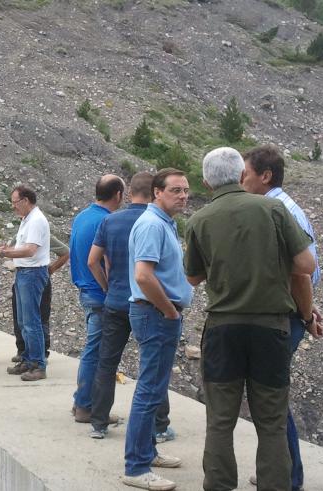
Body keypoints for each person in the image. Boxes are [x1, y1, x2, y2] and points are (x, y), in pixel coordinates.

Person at [185, 147, 316, 491]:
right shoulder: (273, 209)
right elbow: (306, 266)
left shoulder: (200, 220)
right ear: (241, 176)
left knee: (220, 420)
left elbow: (194, 278)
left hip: (223, 331)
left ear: (205, 181)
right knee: (272, 421)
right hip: (270, 329)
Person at [241, 145, 323, 491]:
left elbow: (301, 274)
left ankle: (288, 478)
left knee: (269, 400)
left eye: (245, 173)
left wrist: (306, 316)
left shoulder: (279, 211)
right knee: (268, 397)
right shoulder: (279, 207)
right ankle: (280, 471)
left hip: (285, 316)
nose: (241, 179)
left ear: (265, 175)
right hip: (288, 312)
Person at [120, 168, 192, 491]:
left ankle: (147, 452)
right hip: (155, 314)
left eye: (186, 190)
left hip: (159, 313)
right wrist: (168, 311)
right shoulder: (151, 224)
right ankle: (135, 466)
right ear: (157, 193)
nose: (183, 196)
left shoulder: (165, 223)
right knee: (149, 390)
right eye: (176, 190)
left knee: (155, 387)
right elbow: (144, 276)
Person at [87, 171, 170, 440]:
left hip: (115, 302)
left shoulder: (111, 221)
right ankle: (159, 426)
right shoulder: (158, 221)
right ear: (155, 191)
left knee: (107, 362)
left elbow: (92, 261)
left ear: (128, 192)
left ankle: (98, 423)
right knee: (153, 364)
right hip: (147, 304)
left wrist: (107, 286)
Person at [69, 174, 124, 422]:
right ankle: (85, 406)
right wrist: (107, 288)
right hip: (98, 295)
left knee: (93, 348)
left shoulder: (82, 216)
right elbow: (100, 262)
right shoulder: (108, 221)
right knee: (96, 351)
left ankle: (82, 401)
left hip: (85, 291)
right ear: (119, 195)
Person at [0, 185, 50, 382]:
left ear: (26, 201)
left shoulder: (37, 221)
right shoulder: (27, 220)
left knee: (31, 322)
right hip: (24, 272)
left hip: (32, 273)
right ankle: (28, 360)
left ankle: (38, 365)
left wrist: (3, 253)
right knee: (23, 321)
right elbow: (23, 247)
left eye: (15, 202)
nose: (13, 207)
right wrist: (7, 249)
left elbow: (30, 250)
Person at [11, 235, 69, 362]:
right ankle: (23, 351)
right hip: (21, 278)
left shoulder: (42, 233)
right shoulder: (20, 233)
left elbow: (65, 252)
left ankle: (41, 354)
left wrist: (50, 270)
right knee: (20, 317)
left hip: (38, 279)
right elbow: (11, 251)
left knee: (40, 317)